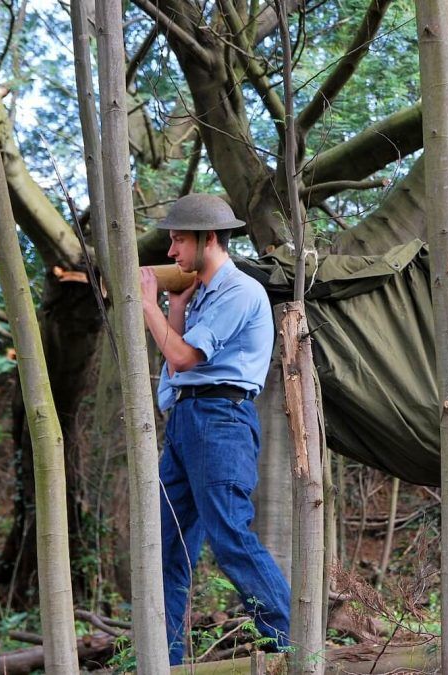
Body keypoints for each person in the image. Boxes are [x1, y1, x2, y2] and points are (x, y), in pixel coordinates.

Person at [140, 194, 289, 664]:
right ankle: (166, 662)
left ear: (208, 239)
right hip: (188, 419)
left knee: (229, 536)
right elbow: (181, 358)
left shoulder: (240, 291)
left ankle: (293, 649)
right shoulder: (204, 292)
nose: (171, 253)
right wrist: (175, 307)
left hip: (220, 420)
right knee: (166, 546)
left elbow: (184, 358)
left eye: (178, 240)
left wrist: (146, 305)